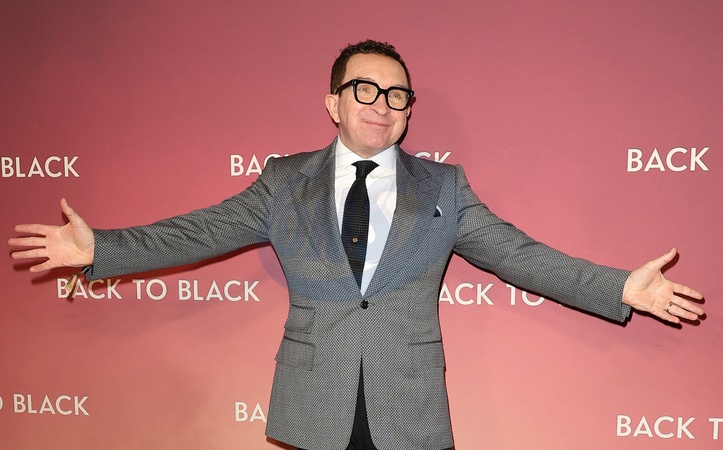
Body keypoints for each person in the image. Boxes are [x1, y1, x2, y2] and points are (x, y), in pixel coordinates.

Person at [9, 40, 704, 450]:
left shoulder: (444, 185)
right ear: (333, 103)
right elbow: (201, 231)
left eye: (397, 95)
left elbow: (519, 255)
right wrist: (101, 248)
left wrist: (619, 286)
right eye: (364, 88)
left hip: (408, 402)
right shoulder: (284, 182)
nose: (381, 103)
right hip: (316, 396)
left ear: (407, 111)